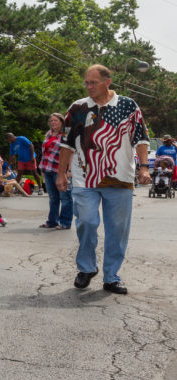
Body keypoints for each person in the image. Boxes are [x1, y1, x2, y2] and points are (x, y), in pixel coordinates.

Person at [60, 64, 150, 295]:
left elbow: (141, 139)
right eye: (86, 83)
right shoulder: (78, 108)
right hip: (84, 177)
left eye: (94, 82)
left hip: (119, 178)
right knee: (87, 222)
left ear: (108, 82)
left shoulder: (128, 106)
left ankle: (111, 277)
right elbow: (67, 144)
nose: (89, 87)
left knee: (117, 230)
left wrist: (144, 167)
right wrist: (61, 173)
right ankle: (87, 268)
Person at [39, 112, 73, 230]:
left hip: (60, 170)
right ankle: (52, 221)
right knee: (53, 197)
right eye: (51, 121)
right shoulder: (49, 134)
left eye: (55, 120)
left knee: (65, 197)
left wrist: (69, 170)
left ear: (62, 122)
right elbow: (45, 153)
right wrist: (42, 169)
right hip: (48, 168)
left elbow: (71, 151)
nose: (53, 123)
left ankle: (65, 222)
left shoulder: (66, 133)